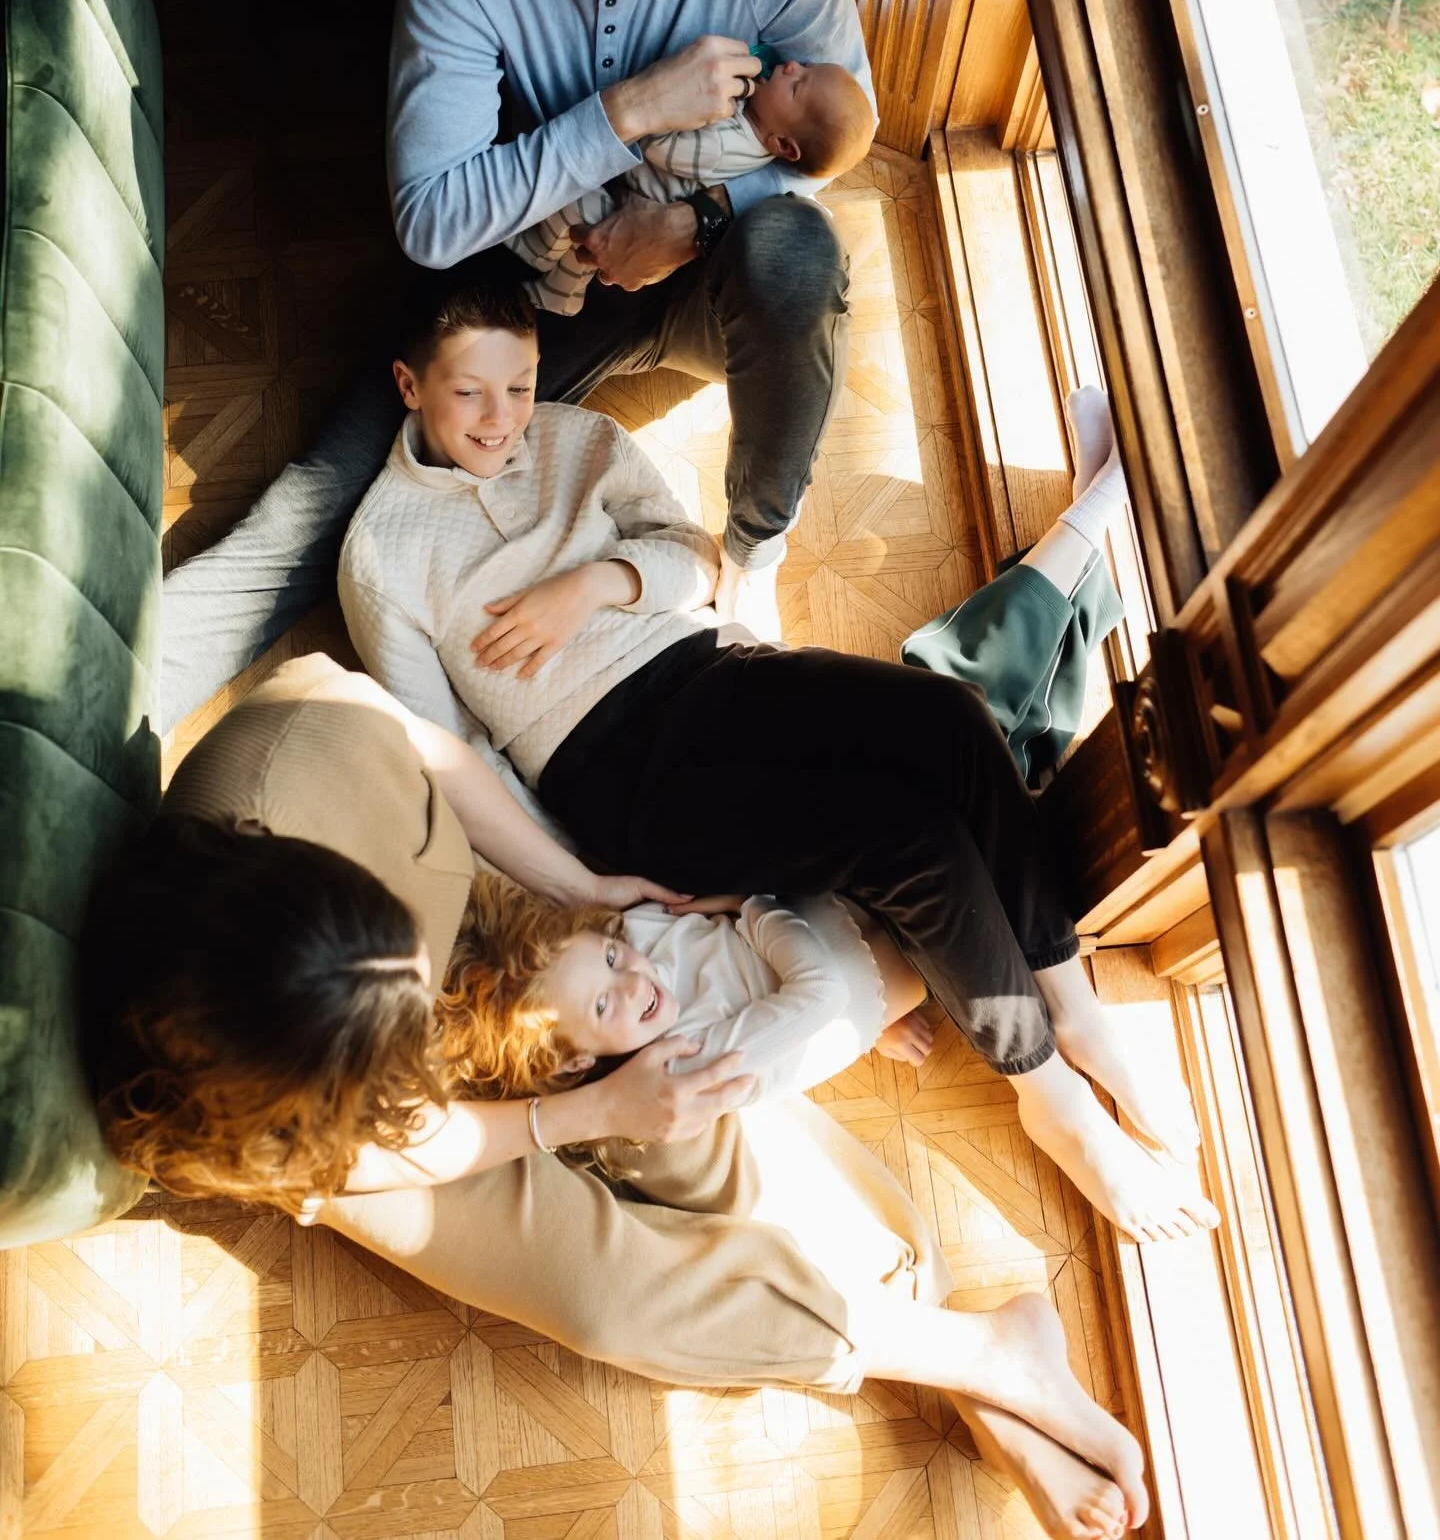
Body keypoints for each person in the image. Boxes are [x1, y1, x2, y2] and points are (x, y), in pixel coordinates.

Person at [84, 653, 1145, 1540]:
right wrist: (576, 1116)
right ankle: (975, 1356)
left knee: (681, 1099)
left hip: (472, 933)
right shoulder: (245, 1111)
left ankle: (948, 1328)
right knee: (604, 1287)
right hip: (371, 1131)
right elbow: (391, 1145)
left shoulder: (294, 745)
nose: (422, 987)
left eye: (399, 948)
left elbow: (428, 750)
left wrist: (574, 886)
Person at [337, 263, 1217, 1246]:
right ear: (410, 384)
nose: (505, 419)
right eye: (471, 393)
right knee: (905, 835)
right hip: (615, 772)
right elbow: (456, 758)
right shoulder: (379, 555)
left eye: (522, 383)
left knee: (951, 719)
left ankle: (1074, 1005)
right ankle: (1049, 1091)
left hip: (711, 668)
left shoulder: (576, 436)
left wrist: (594, 584)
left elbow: (692, 554)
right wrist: (586, 884)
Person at [159, 0, 875, 726]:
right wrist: (625, 112)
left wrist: (697, 220)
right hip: (543, 279)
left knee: (799, 255)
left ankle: (754, 550)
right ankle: (109, 696)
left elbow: (845, 128)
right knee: (327, 497)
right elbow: (430, 218)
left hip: (717, 273)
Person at [437, 876, 933, 1109]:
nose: (634, 982)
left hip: (817, 908)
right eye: (603, 1005)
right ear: (574, 1062)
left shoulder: (629, 931)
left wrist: (750, 910)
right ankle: (886, 1024)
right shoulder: (680, 1064)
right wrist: (748, 905)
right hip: (871, 979)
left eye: (610, 958)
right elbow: (824, 995)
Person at [511, 56, 874, 316]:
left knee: (578, 207)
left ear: (783, 144)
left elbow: (661, 149)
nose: (792, 65)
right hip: (628, 192)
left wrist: (669, 99)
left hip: (631, 213)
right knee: (586, 235)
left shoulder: (724, 146)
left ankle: (539, 255)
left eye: (796, 86)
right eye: (805, 66)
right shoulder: (751, 121)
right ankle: (560, 288)